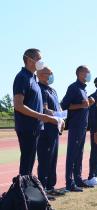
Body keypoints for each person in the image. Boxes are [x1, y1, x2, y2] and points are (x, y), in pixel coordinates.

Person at [13, 48, 58, 176]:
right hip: (27, 127)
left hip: (35, 126)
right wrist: (41, 115)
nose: (41, 62)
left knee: (30, 162)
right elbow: (18, 105)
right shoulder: (22, 77)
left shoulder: (32, 78)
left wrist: (47, 114)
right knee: (27, 162)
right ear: (29, 60)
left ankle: (26, 191)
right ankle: (22, 193)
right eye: (38, 59)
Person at [61, 65, 95, 192]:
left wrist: (88, 104)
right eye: (87, 72)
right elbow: (64, 105)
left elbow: (84, 107)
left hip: (82, 127)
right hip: (75, 127)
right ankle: (69, 183)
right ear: (80, 74)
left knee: (79, 154)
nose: (89, 74)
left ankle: (78, 179)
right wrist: (82, 104)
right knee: (72, 154)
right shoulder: (73, 87)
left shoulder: (83, 89)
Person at [37, 67, 65, 197]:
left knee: (53, 159)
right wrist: (58, 117)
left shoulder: (52, 90)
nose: (51, 76)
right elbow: (45, 110)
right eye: (49, 73)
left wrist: (62, 118)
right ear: (41, 75)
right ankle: (42, 188)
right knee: (44, 160)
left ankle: (50, 186)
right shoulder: (40, 89)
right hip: (45, 130)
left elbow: (58, 108)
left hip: (54, 129)